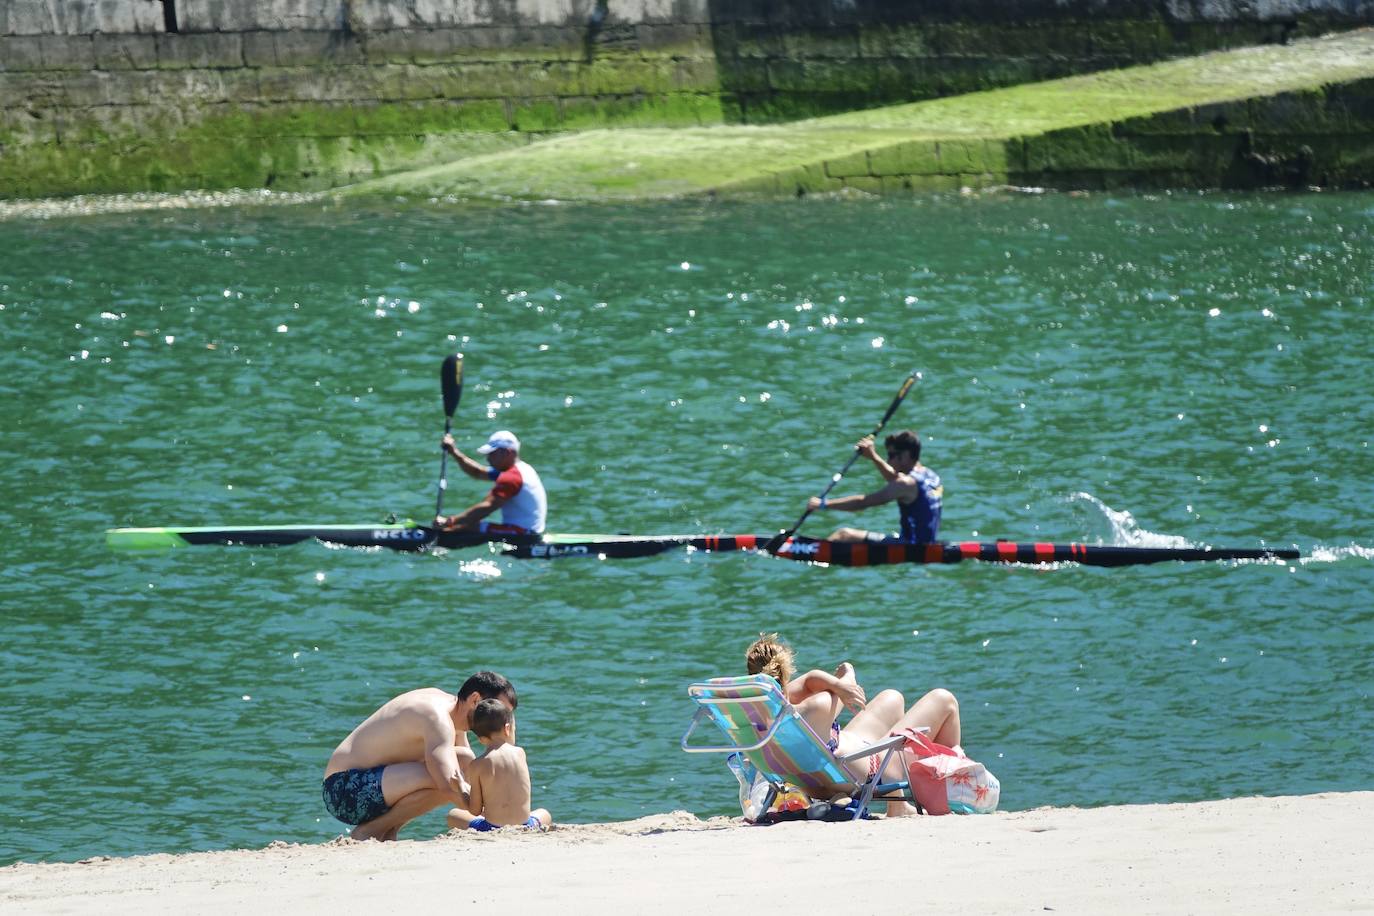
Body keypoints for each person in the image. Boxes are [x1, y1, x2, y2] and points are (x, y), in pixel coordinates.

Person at [745, 633, 961, 815]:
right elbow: (846, 688)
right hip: (871, 769)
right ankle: (950, 792)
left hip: (819, 779)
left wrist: (834, 684)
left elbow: (809, 680)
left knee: (892, 698)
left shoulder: (757, 715)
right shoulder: (815, 707)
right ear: (786, 672)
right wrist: (846, 677)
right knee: (945, 700)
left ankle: (900, 803)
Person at [322, 671, 517, 841]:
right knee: (447, 780)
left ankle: (388, 831)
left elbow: (470, 770)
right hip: (343, 790)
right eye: (498, 711)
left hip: (375, 783)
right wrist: (496, 815)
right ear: (475, 699)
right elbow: (449, 782)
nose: (501, 721)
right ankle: (371, 830)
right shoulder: (437, 718)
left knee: (463, 761)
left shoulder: (452, 710)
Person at [805, 430, 942, 543]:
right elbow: (896, 479)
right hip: (926, 544)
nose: (888, 460)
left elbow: (863, 502)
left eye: (891, 455)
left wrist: (823, 504)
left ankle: (814, 551)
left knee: (844, 535)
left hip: (911, 548)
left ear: (906, 455)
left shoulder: (905, 484)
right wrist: (873, 457)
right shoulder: (930, 475)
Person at [446, 698, 552, 832]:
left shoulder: (477, 765)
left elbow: (475, 810)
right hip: (526, 826)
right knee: (544, 813)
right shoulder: (520, 753)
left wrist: (461, 787)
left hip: (492, 828)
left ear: (480, 738)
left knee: (453, 815)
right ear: (507, 729)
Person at [435, 429, 547, 535]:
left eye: (492, 454)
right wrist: (453, 451)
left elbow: (487, 507)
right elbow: (477, 472)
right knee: (466, 524)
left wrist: (450, 521)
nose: (488, 458)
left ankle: (438, 539)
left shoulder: (511, 477)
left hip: (522, 534)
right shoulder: (523, 469)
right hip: (532, 530)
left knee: (467, 526)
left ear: (507, 453)